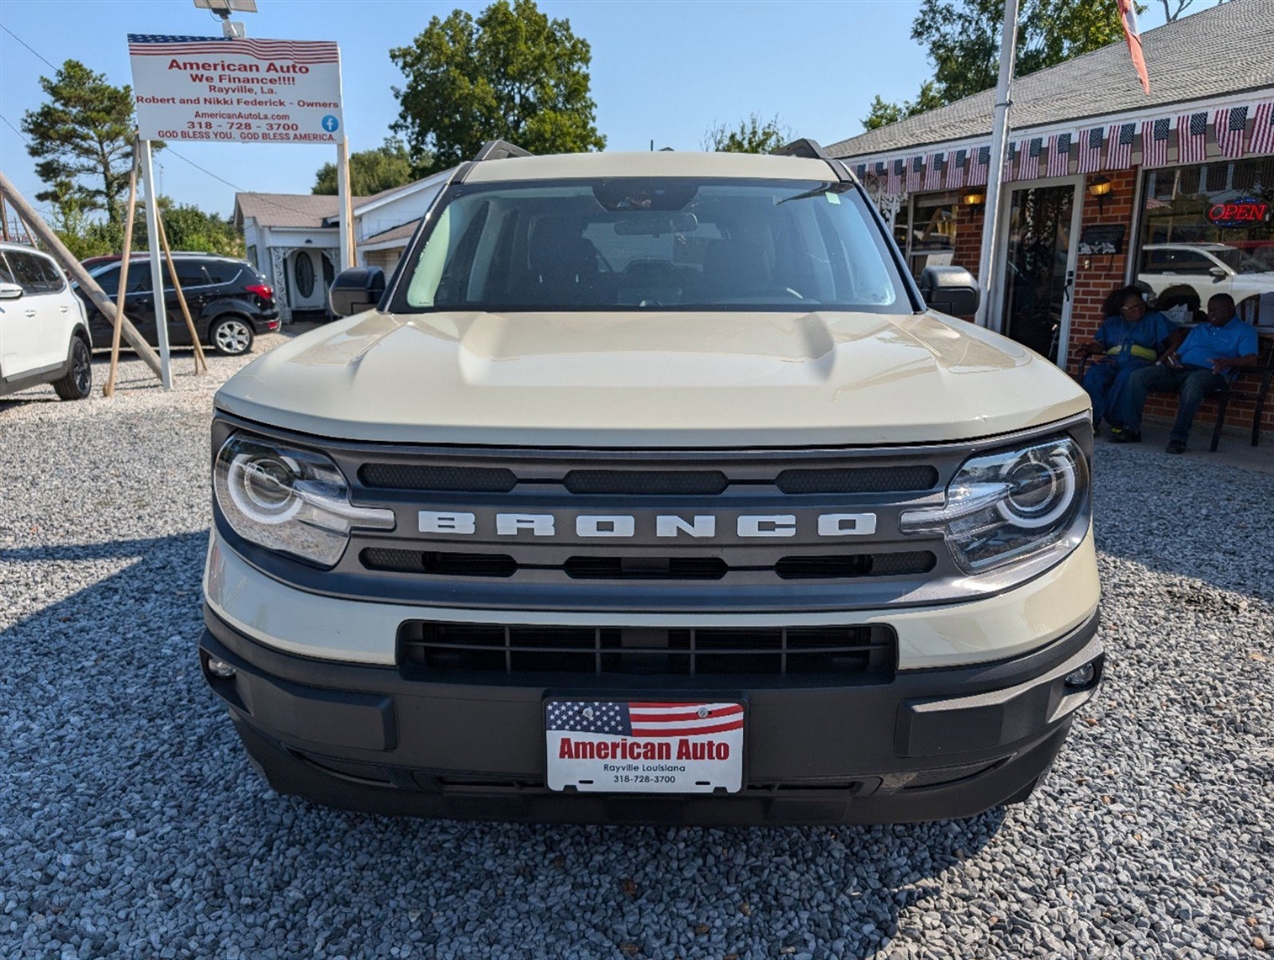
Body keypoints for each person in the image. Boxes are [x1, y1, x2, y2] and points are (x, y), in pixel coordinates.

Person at [1112, 293, 1260, 453]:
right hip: (1182, 370)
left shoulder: (1245, 331)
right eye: (1209, 310)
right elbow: (1179, 354)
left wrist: (1226, 362)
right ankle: (1131, 429)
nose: (1211, 315)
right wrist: (1172, 360)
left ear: (1230, 309)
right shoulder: (1200, 329)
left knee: (1193, 383)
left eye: (1216, 311)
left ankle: (1178, 438)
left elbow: (1252, 359)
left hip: (1211, 374)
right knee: (1139, 376)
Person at [1077, 286, 1176, 433]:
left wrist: (1161, 359)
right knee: (1094, 375)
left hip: (1140, 361)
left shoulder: (1154, 319)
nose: (1139, 309)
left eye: (1141, 305)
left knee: (1126, 376)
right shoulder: (1112, 322)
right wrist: (1090, 348)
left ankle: (1122, 424)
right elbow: (1101, 345)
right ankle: (1090, 423)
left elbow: (1176, 340)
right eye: (1133, 308)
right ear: (1121, 310)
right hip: (1112, 360)